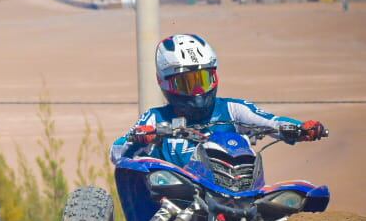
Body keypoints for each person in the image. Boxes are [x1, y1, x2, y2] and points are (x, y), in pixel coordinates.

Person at [112, 33, 327, 167]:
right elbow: (116, 151)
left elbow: (273, 122)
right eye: (187, 83)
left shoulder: (233, 109)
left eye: (203, 80)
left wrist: (301, 128)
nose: (198, 90)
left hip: (236, 184)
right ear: (166, 83)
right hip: (176, 197)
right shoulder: (155, 117)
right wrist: (137, 138)